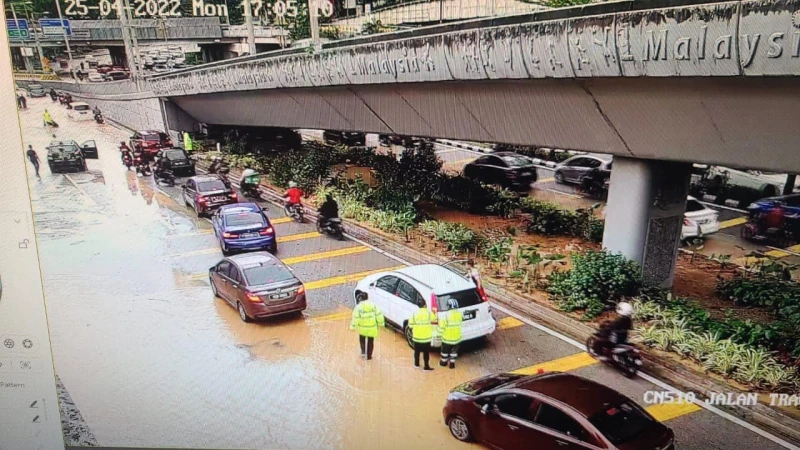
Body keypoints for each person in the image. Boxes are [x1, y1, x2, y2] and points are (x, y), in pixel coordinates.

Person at [350, 292, 385, 361]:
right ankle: (369, 356)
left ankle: (363, 352)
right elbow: (379, 315)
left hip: (362, 328)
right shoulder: (373, 306)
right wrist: (381, 324)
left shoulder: (358, 307)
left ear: (361, 299)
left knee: (362, 339)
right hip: (372, 328)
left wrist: (353, 327)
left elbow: (356, 318)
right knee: (370, 342)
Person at [409, 299, 436, 371]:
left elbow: (410, 325)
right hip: (426, 337)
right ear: (425, 305)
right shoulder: (428, 313)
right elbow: (434, 318)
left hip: (417, 337)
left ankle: (416, 364)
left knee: (417, 351)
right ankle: (426, 367)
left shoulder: (414, 313)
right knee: (426, 353)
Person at [437, 298, 463, 369]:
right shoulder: (459, 314)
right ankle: (452, 364)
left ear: (449, 306)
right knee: (454, 352)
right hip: (457, 338)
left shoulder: (445, 315)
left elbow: (441, 328)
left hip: (447, 338)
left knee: (444, 352)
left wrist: (438, 334)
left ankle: (443, 363)